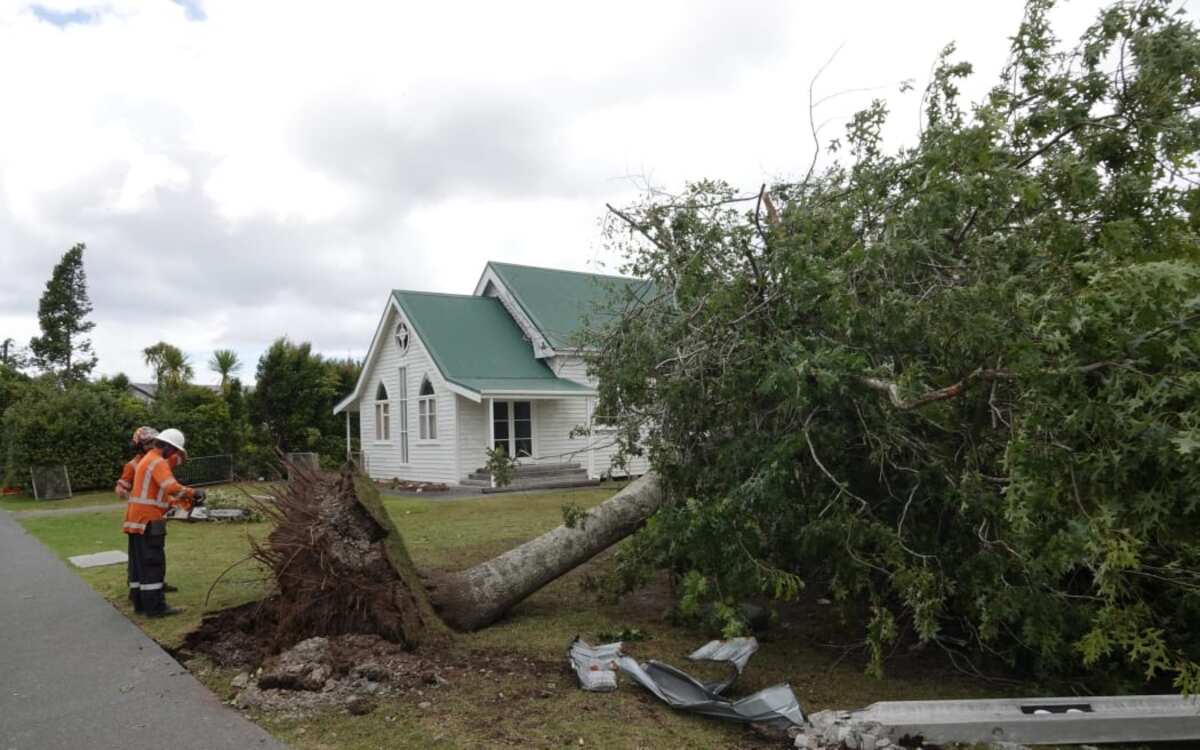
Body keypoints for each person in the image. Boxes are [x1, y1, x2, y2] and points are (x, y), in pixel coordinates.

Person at [122, 428, 206, 617]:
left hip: (136, 520)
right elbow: (171, 487)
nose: (174, 455)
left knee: (139, 565)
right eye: (174, 451)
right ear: (167, 447)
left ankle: (141, 604)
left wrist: (180, 504)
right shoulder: (158, 462)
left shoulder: (147, 459)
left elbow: (158, 494)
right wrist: (194, 493)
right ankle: (156, 608)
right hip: (149, 521)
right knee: (153, 563)